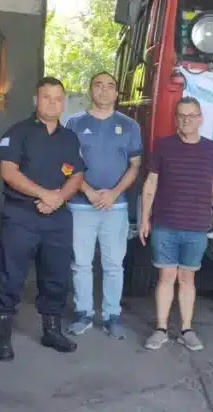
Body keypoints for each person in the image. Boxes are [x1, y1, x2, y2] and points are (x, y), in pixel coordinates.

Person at [0, 77, 85, 361]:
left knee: (56, 276)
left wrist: (58, 198)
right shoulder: (18, 132)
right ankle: (2, 335)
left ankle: (52, 330)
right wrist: (45, 195)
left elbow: (77, 175)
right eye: (46, 97)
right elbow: (8, 171)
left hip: (57, 218)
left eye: (57, 98)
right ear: (35, 100)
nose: (52, 103)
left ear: (63, 102)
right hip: (21, 215)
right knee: (10, 275)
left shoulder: (70, 138)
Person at [138, 97, 213, 352]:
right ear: (176, 119)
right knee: (166, 276)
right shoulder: (163, 147)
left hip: (197, 226)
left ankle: (187, 330)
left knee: (188, 278)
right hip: (165, 224)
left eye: (191, 115)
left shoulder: (211, 149)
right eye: (181, 115)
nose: (186, 119)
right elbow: (151, 185)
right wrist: (145, 218)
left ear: (200, 118)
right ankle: (161, 329)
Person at [64, 72, 143, 339]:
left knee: (113, 265)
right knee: (81, 264)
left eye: (110, 86)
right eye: (98, 85)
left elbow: (135, 166)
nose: (104, 90)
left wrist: (113, 193)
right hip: (80, 205)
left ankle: (112, 316)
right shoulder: (74, 124)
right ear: (90, 90)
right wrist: (86, 190)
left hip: (115, 207)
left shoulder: (129, 126)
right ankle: (83, 313)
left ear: (117, 93)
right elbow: (66, 164)